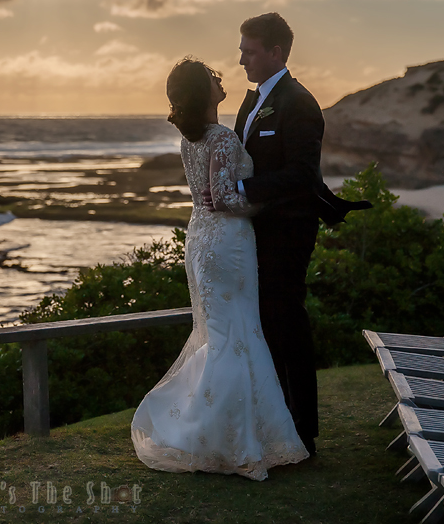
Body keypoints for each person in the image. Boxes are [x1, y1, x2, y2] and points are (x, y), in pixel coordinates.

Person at [131, 57, 310, 481]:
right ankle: (233, 440)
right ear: (203, 93)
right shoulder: (223, 138)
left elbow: (206, 197)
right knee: (236, 334)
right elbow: (227, 198)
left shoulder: (189, 141)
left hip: (199, 240)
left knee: (221, 333)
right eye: (211, 77)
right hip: (227, 243)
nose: (220, 77)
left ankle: (220, 432)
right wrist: (267, 204)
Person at [219, 12, 370, 456]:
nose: (241, 58)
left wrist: (240, 189)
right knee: (263, 323)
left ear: (275, 52)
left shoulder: (299, 103)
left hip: (288, 231)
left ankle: (303, 429)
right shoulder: (251, 102)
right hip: (254, 230)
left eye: (248, 50)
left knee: (287, 322)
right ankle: (274, 419)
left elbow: (301, 174)